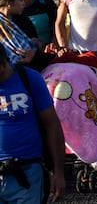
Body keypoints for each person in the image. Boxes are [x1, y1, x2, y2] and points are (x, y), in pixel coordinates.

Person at [0, 43, 66, 203]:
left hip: (27, 173)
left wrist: (58, 172)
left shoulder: (29, 78)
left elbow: (52, 124)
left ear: (3, 63)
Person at [0, 0, 38, 66]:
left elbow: (33, 41)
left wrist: (33, 52)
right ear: (9, 2)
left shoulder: (22, 19)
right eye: (20, 0)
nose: (24, 4)